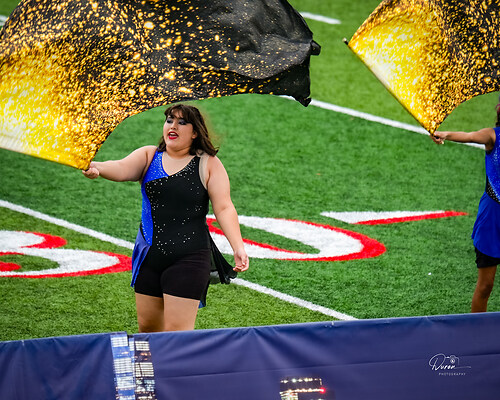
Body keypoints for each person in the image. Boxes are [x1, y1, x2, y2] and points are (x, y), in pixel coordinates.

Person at [83, 103, 249, 331]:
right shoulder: (149, 156)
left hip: (189, 259)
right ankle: (148, 359)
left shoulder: (208, 163)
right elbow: (121, 168)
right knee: (148, 330)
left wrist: (238, 247)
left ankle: (179, 359)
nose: (173, 126)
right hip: (149, 257)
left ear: (195, 132)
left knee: (177, 334)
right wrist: (96, 167)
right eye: (169, 120)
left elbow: (224, 208)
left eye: (182, 122)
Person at [431, 107, 500, 312]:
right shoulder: (492, 136)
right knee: (486, 286)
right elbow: (470, 136)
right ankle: (477, 329)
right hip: (492, 219)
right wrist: (445, 134)